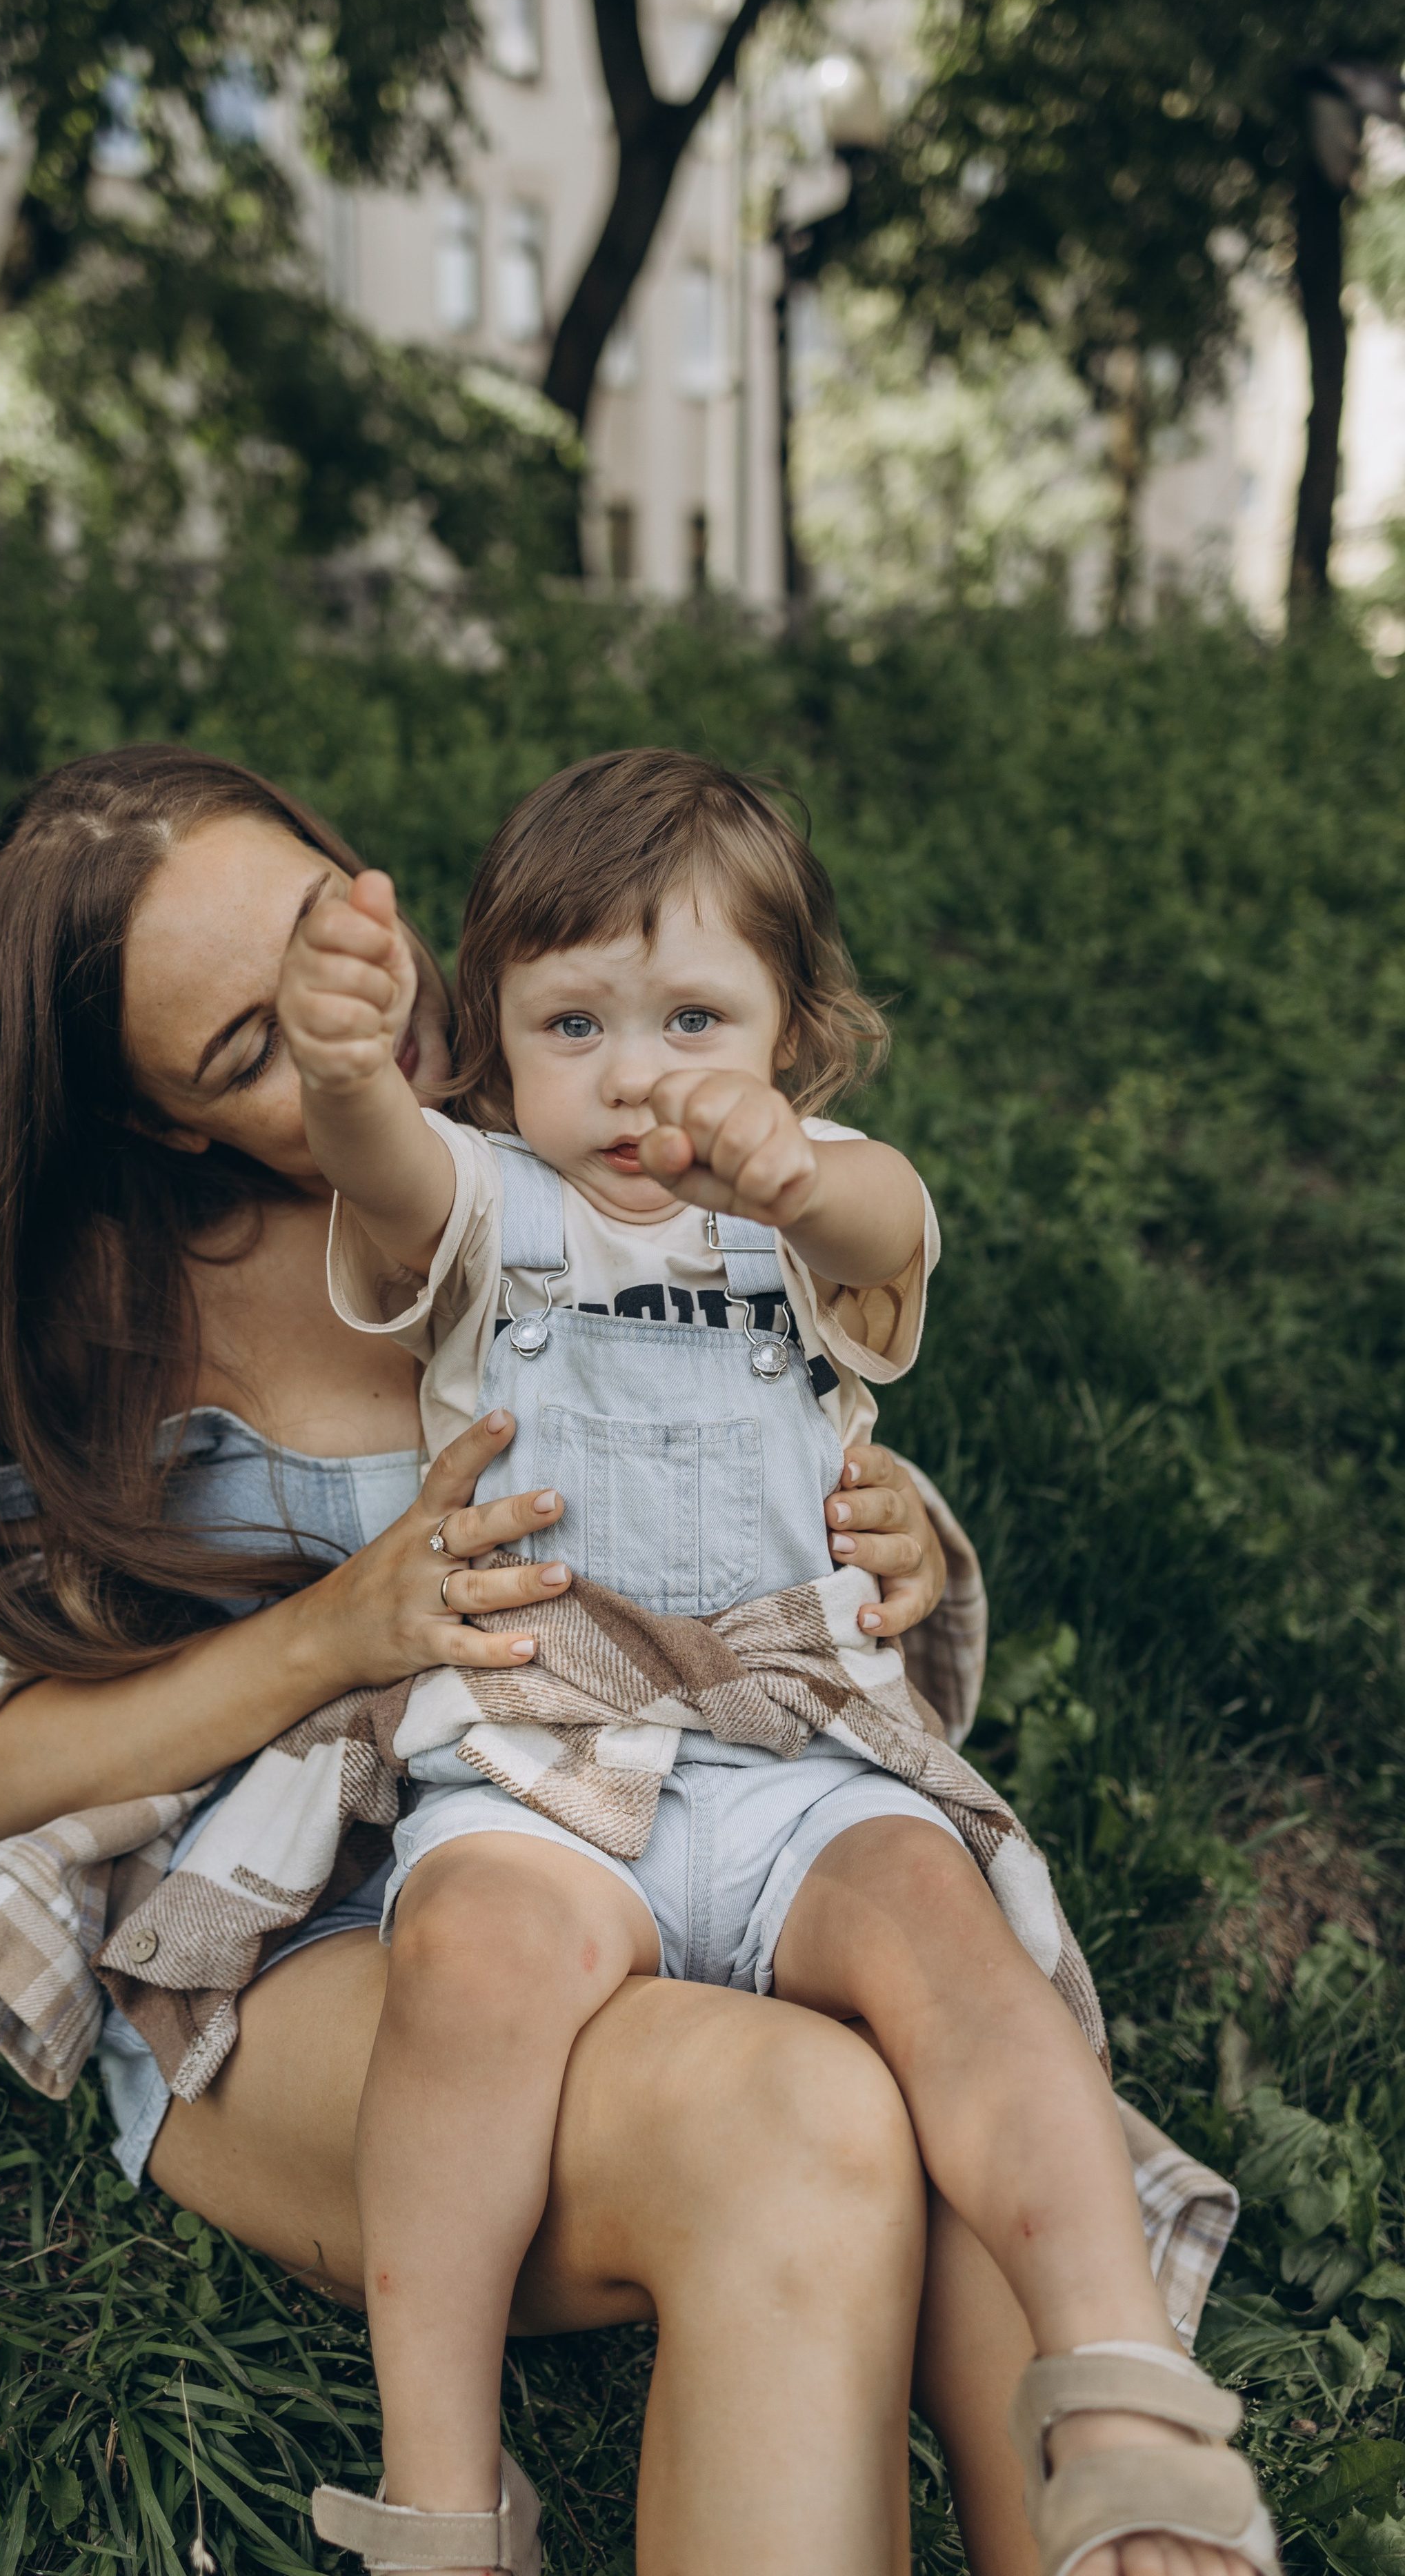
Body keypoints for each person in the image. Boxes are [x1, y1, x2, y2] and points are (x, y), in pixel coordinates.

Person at [0, 744, 1239, 2576]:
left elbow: (750, 1442)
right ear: (159, 1122)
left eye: (334, 933)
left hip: (651, 1816)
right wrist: (342, 1629)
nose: (359, 1031)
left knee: (967, 2116)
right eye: (252, 1050)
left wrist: (891, 1535)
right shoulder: (119, 1306)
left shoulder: (593, 1114)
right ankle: (446, 2507)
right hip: (304, 1950)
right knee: (802, 2120)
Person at [276, 750, 1277, 2576]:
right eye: (572, 1019)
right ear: (493, 1047)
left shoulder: (812, 1214)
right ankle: (440, 2490)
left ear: (795, 1036)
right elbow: (386, 1169)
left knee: (948, 1940)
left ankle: (1120, 2383)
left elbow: (886, 1227)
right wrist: (348, 1072)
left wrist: (791, 1168)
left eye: (695, 1018)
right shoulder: (493, 1204)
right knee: (470, 1963)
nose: (639, 1070)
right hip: (540, 1742)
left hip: (787, 1752)